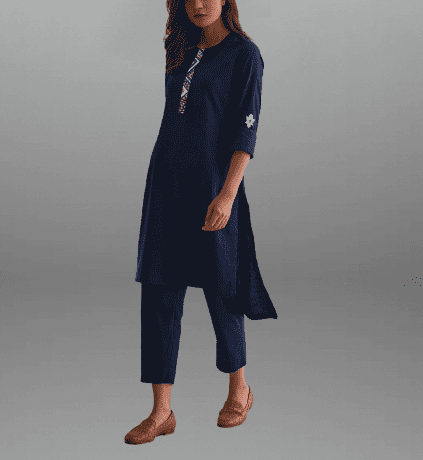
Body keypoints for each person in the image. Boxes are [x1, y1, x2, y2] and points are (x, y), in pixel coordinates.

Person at [125, 0, 277, 445]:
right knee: (159, 289)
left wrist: (227, 194)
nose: (198, 4)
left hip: (213, 186)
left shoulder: (245, 55)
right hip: (166, 185)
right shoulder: (179, 47)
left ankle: (239, 389)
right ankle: (161, 412)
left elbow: (246, 130)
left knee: (222, 286)